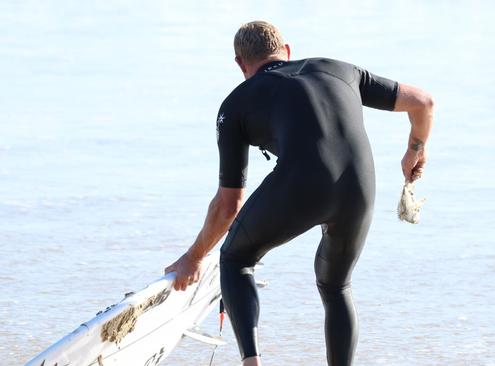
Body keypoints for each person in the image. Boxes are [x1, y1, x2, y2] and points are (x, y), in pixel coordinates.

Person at [165, 20, 434, 366]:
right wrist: (416, 149)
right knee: (336, 286)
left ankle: (252, 362)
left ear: (240, 64)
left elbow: (228, 205)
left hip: (304, 183)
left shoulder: (236, 105)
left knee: (235, 259)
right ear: (287, 51)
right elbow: (423, 103)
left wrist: (194, 256)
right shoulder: (341, 70)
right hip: (360, 185)